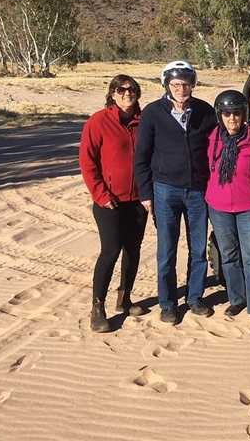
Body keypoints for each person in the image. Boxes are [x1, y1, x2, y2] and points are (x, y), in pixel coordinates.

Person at [134, 61, 250, 325]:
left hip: (197, 191)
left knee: (198, 250)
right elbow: (141, 157)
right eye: (176, 84)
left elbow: (231, 126)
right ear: (167, 85)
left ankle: (195, 298)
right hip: (165, 190)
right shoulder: (152, 113)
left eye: (186, 84)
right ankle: (168, 303)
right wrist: (146, 193)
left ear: (193, 84)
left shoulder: (204, 111)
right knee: (167, 250)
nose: (182, 89)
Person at [79, 74, 149, 333]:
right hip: (109, 202)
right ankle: (98, 307)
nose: (127, 93)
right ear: (112, 93)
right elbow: (87, 162)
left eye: (132, 89)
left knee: (133, 249)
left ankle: (125, 298)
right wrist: (100, 194)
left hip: (138, 200)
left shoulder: (144, 121)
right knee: (110, 251)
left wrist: (148, 193)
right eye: (121, 89)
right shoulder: (98, 121)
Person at [206, 90, 250, 326]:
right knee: (228, 255)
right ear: (220, 115)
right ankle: (237, 298)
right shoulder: (213, 137)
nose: (232, 118)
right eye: (226, 114)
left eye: (236, 113)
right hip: (219, 207)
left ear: (244, 114)